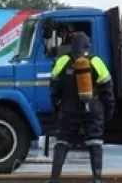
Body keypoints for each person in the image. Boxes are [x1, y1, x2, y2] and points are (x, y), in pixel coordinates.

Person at [48, 32, 115, 183]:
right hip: (93, 109)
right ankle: (97, 179)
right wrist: (109, 110)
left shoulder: (62, 61)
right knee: (95, 141)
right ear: (88, 45)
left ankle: (54, 178)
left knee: (62, 141)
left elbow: (53, 89)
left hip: (68, 109)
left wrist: (57, 107)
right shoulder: (96, 60)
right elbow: (107, 88)